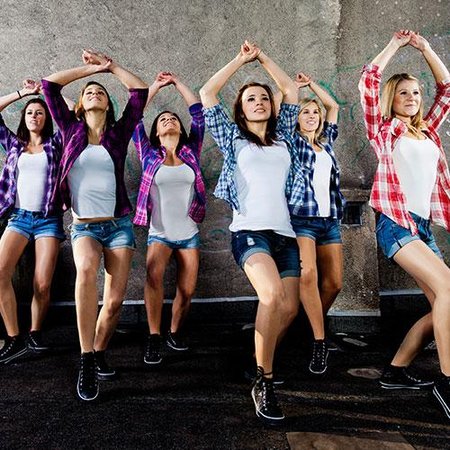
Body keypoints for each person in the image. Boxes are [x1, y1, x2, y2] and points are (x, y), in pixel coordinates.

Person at [200, 41, 303, 425]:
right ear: (241, 110)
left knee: (289, 309)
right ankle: (264, 380)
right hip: (249, 233)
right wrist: (242, 60)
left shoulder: (285, 136)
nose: (259, 102)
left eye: (263, 98)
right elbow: (207, 93)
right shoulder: (233, 138)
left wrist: (264, 58)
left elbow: (290, 89)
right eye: (250, 99)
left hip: (285, 235)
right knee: (272, 295)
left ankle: (258, 358)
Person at [42, 50, 148, 401]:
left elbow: (139, 92)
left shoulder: (119, 134)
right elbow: (49, 85)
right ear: (80, 105)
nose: (94, 92)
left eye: (100, 91)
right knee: (86, 270)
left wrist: (111, 67)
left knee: (114, 301)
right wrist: (90, 69)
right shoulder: (69, 129)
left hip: (118, 226)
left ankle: (100, 350)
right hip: (84, 226)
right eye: (88, 91)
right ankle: (86, 358)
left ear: (107, 105)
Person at [359, 30, 450, 419]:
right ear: (391, 100)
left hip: (422, 228)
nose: (412, 98)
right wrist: (396, 45)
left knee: (442, 305)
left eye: (415, 92)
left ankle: (395, 371)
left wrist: (426, 49)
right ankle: (447, 383)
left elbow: (447, 89)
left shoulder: (427, 130)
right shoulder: (384, 131)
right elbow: (368, 80)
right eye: (403, 93)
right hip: (396, 225)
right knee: (449, 291)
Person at [132, 71, 205, 365]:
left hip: (189, 233)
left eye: (173, 118)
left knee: (187, 291)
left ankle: (174, 332)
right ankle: (154, 336)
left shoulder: (191, 151)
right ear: (156, 132)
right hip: (159, 232)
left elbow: (198, 114)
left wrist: (177, 82)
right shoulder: (148, 154)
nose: (168, 120)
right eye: (162, 119)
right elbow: (134, 117)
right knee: (153, 280)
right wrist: (156, 86)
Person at [0, 80, 66, 364]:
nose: (34, 116)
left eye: (40, 112)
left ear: (46, 118)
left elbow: (71, 117)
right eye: (30, 112)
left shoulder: (57, 144)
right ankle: (14, 338)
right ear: (24, 118)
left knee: (42, 284)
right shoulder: (14, 144)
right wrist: (24, 93)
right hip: (19, 217)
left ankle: (35, 334)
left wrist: (48, 96)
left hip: (48, 220)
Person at [290, 72, 344, 375]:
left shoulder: (327, 143)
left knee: (334, 283)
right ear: (297, 119)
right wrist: (294, 89)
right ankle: (319, 341)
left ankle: (307, 325)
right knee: (308, 274)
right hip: (302, 219)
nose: (311, 116)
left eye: (314, 112)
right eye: (305, 112)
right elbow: (284, 113)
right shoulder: (293, 143)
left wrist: (313, 85)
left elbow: (333, 107)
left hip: (329, 220)